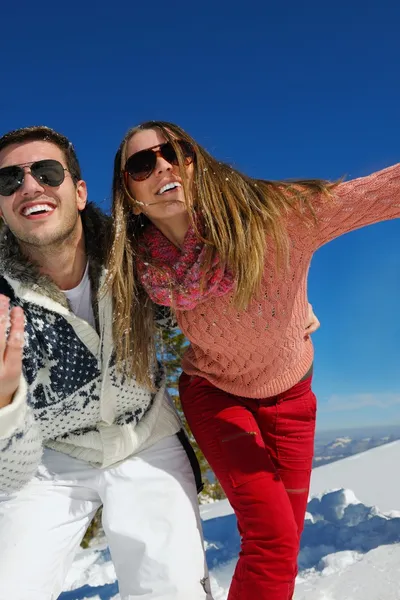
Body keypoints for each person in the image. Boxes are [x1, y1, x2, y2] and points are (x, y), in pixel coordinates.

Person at [106, 120, 400, 600]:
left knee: (284, 534)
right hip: (216, 397)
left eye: (176, 151)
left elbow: (381, 192)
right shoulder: (138, 266)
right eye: (142, 163)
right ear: (130, 193)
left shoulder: (276, 219)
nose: (163, 165)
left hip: (292, 398)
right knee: (273, 538)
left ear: (196, 162)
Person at [0, 125, 213, 600]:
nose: (29, 186)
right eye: (8, 181)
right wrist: (4, 398)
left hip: (145, 438)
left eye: (46, 172)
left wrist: (283, 304)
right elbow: (6, 470)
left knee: (174, 591)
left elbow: (209, 271)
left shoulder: (135, 255)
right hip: (49, 457)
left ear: (78, 192)